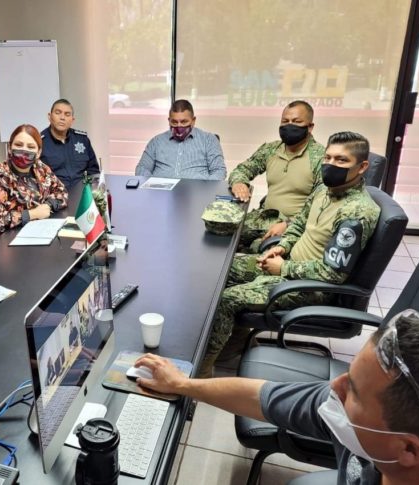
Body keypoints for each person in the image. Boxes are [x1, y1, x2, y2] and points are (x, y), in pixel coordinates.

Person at [135, 311, 419, 485]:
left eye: (353, 390)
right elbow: (262, 397)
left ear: (408, 450)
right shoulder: (373, 435)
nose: (335, 386)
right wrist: (183, 384)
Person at [199, 131, 380, 377]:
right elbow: (298, 224)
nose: (331, 165)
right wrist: (282, 247)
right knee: (220, 271)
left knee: (228, 298)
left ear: (362, 167)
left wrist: (283, 268)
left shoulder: (357, 212)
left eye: (341, 160)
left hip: (311, 286)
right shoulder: (324, 190)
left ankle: (203, 370)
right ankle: (235, 344)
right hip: (290, 264)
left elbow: (332, 273)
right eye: (328, 158)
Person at [229, 100, 325, 251]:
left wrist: (288, 224)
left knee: (256, 251)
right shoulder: (271, 149)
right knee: (221, 232)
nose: (289, 125)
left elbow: (323, 204)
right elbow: (242, 169)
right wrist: (239, 182)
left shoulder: (321, 158)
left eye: (296, 122)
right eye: (285, 121)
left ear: (310, 126)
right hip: (264, 217)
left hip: (294, 227)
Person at [0, 124, 68, 239]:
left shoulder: (40, 168)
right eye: (18, 145)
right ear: (9, 148)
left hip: (35, 232)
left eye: (30, 147)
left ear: (38, 152)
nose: (24, 150)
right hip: (1, 240)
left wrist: (48, 205)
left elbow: (61, 191)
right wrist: (32, 214)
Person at [135, 99, 226, 180]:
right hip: (160, 190)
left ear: (193, 120)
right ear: (169, 121)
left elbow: (219, 171)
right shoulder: (156, 141)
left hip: (196, 191)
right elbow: (142, 168)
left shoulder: (209, 140)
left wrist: (205, 189)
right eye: (174, 122)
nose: (179, 126)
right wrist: (151, 185)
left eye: (184, 122)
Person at [40, 98, 99, 189]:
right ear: (49, 116)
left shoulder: (82, 139)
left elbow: (93, 171)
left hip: (82, 193)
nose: (62, 118)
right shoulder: (39, 142)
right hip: (54, 193)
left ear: (72, 120)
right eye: (58, 113)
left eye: (67, 114)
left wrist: (91, 191)